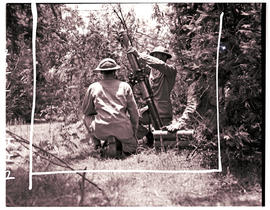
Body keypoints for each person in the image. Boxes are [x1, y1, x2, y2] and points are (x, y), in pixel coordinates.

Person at [82, 58, 139, 157]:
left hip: (101, 130)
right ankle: (124, 145)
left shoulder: (93, 87)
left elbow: (86, 111)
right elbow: (134, 113)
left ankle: (97, 146)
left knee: (85, 118)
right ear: (115, 72)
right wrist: (133, 132)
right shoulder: (125, 86)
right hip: (123, 130)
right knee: (131, 149)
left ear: (101, 73)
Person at [128, 46, 177, 145]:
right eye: (154, 55)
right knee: (130, 119)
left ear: (165, 57)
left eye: (158, 55)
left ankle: (153, 139)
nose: (156, 57)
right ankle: (148, 136)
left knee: (165, 140)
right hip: (150, 109)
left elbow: (159, 64)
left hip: (163, 112)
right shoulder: (152, 72)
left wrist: (140, 55)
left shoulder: (170, 70)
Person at [165, 71, 217, 139]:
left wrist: (180, 123)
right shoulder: (211, 82)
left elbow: (192, 106)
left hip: (209, 126)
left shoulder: (196, 85)